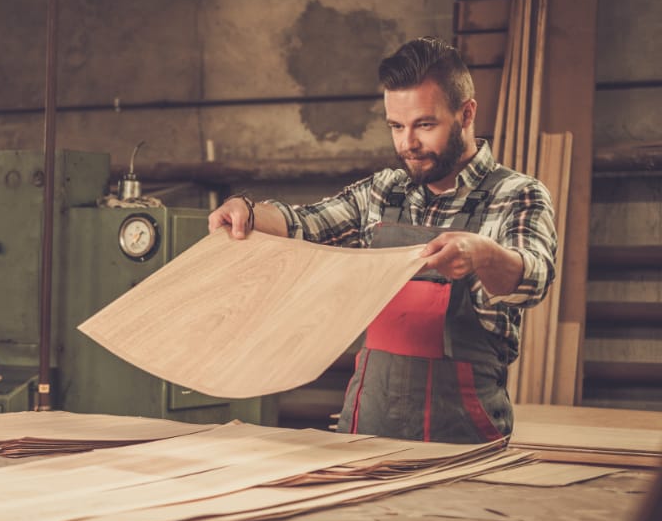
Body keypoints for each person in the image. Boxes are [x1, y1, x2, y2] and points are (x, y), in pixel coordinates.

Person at [207, 37, 557, 444]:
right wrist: (247, 211)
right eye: (396, 126)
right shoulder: (383, 191)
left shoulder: (517, 194)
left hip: (461, 441)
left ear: (466, 113)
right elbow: (303, 223)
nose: (407, 144)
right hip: (366, 433)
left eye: (424, 125)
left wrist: (484, 254)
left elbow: (534, 277)